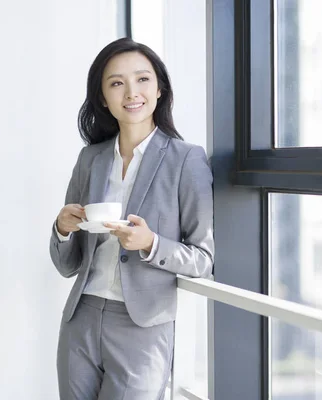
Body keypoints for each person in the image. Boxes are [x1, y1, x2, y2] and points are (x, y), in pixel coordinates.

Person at [49, 37, 214, 400]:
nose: (131, 92)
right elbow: (67, 264)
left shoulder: (187, 160)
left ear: (159, 89)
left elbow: (203, 259)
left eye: (142, 79)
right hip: (82, 317)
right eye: (116, 83)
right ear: (103, 98)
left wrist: (151, 244)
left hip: (143, 326)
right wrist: (62, 229)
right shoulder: (90, 159)